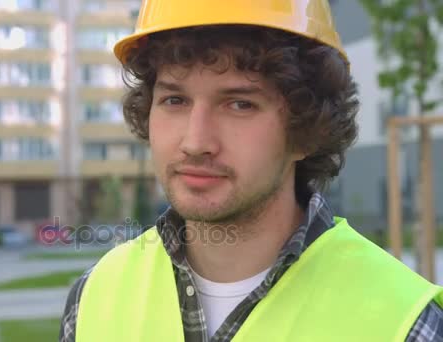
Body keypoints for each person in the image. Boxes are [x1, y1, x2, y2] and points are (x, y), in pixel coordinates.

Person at [60, 1, 443, 341]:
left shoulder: (404, 324)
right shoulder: (95, 296)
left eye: (239, 104)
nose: (195, 141)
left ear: (306, 132)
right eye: (174, 99)